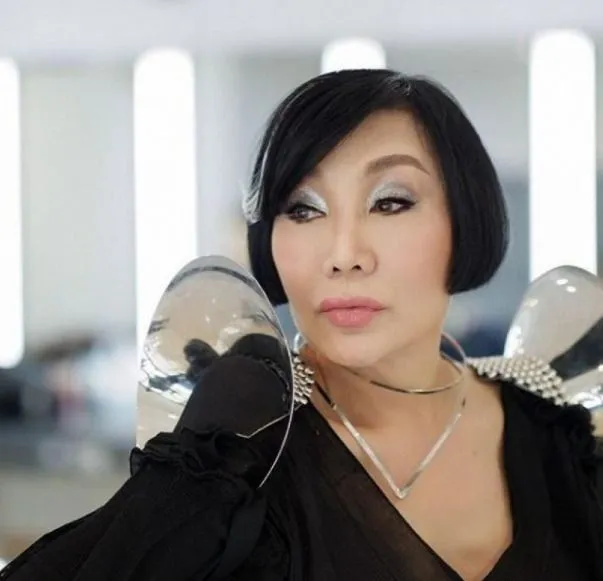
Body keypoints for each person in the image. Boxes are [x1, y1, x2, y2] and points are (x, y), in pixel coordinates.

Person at [3, 69, 603, 581]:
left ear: (465, 219)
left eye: (390, 202)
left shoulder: (557, 433)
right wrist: (196, 474)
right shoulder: (237, 452)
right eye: (303, 209)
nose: (343, 254)